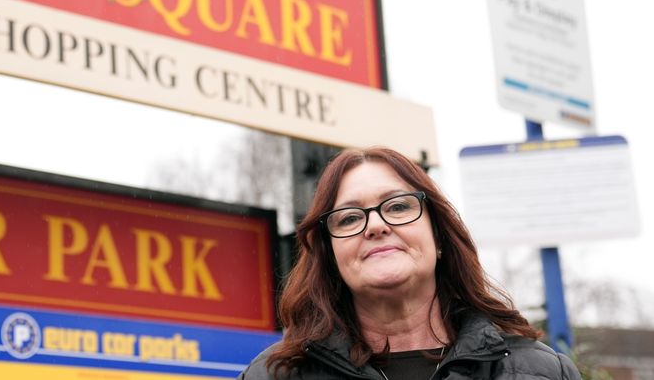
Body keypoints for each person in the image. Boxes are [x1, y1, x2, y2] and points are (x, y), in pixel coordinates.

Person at [240, 147, 581, 380]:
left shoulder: (541, 371)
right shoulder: (273, 375)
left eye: (398, 207)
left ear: (439, 235)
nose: (376, 226)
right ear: (330, 256)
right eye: (348, 218)